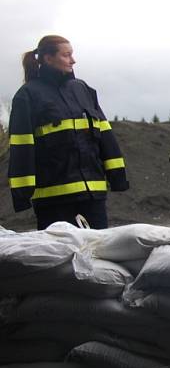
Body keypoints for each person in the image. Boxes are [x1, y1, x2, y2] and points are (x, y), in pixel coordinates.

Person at [7, 35, 129, 230]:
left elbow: (105, 136)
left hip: (93, 196)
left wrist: (118, 177)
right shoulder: (28, 95)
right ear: (48, 58)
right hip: (54, 201)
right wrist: (22, 194)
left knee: (100, 254)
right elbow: (22, 147)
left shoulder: (84, 90)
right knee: (62, 257)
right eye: (67, 55)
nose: (73, 60)